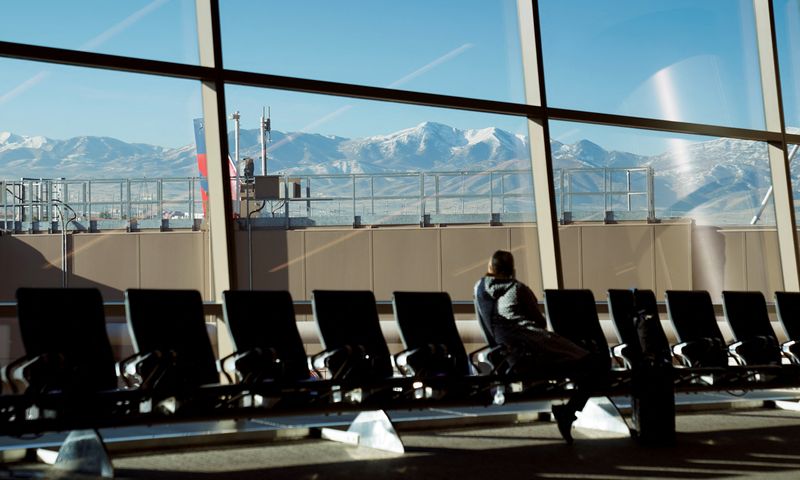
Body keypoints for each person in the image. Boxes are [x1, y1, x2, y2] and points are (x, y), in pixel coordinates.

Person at [474, 250, 606, 444]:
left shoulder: (480, 290)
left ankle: (567, 411)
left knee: (584, 366)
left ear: (491, 268)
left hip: (507, 354)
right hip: (535, 349)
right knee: (595, 365)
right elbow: (540, 321)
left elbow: (485, 324)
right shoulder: (518, 289)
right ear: (512, 269)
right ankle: (568, 412)